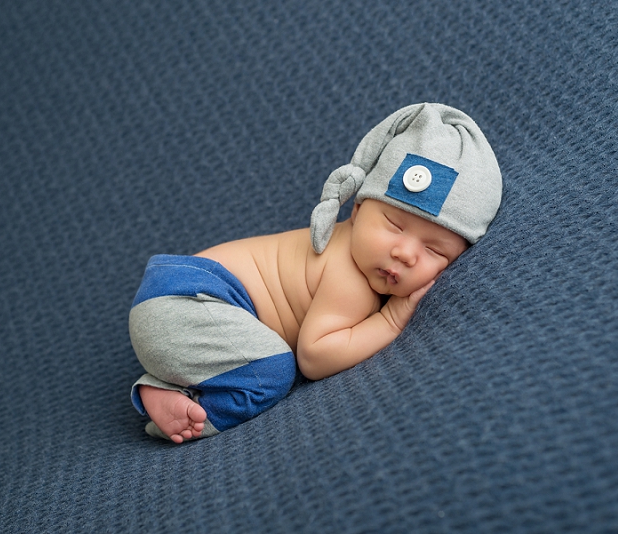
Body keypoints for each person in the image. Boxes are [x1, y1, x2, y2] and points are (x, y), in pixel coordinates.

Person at [129, 103, 502, 443]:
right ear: (357, 209)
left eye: (434, 250)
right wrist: (390, 320)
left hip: (177, 298)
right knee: (273, 372)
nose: (404, 253)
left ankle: (164, 388)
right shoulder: (350, 276)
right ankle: (198, 415)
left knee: (246, 356)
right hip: (194, 298)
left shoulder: (361, 250)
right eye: (394, 224)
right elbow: (315, 355)